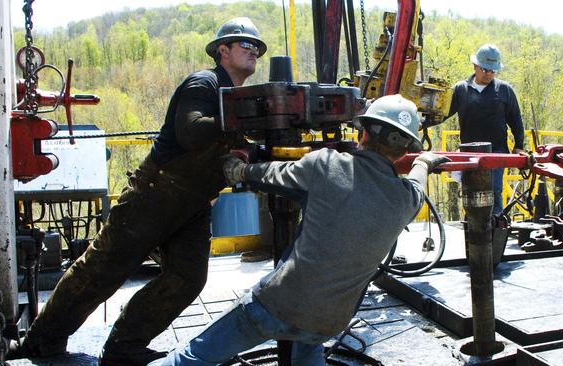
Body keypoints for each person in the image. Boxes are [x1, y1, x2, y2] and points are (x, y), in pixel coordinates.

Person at [21, 17, 267, 366]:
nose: (253, 50)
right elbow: (191, 132)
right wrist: (246, 118)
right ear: (222, 50)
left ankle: (126, 345)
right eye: (245, 44)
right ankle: (41, 341)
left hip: (193, 204)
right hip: (154, 194)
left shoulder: (238, 98)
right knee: (103, 270)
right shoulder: (205, 84)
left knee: (187, 278)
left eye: (256, 46)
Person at [147, 95, 450, 366]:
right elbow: (417, 183)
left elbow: (273, 175)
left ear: (363, 133)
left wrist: (240, 170)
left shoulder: (326, 164)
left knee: (193, 357)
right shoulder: (406, 200)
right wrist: (424, 162)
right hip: (331, 320)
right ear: (403, 152)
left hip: (277, 304)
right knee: (308, 345)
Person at [447, 43, 525, 215]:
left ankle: (496, 227)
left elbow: (516, 120)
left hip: (496, 153)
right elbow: (443, 113)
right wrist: (421, 122)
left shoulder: (504, 90)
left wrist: (519, 145)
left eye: (493, 70)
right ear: (475, 66)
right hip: (469, 153)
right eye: (485, 69)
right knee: (471, 194)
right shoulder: (461, 89)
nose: (489, 74)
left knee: (494, 192)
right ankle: (474, 228)